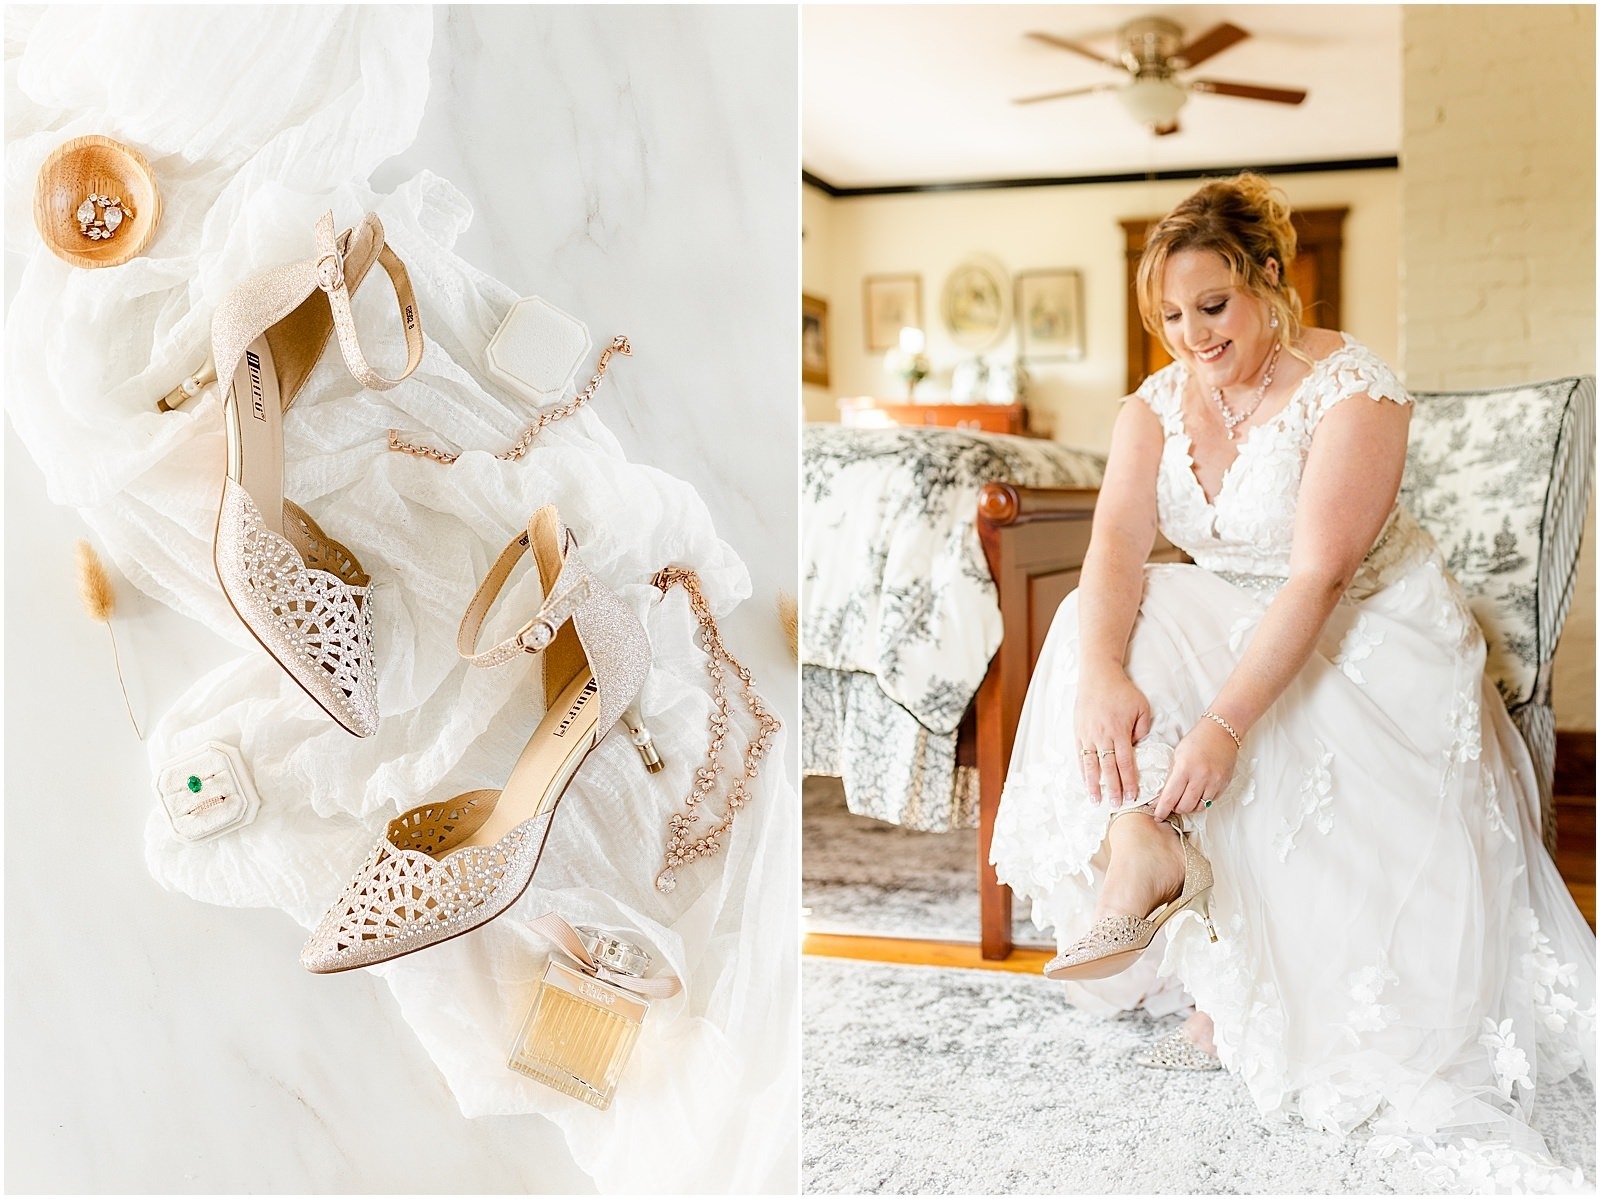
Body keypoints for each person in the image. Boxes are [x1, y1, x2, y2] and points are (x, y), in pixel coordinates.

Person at [990, 173, 1595, 1189]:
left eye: (1213, 306)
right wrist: (1097, 671)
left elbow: (1317, 578)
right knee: (1104, 616)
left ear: (1269, 275)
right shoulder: (1151, 408)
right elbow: (1116, 545)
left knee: (1210, 674)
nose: (1192, 336)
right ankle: (1140, 841)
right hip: (1240, 618)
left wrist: (1222, 724)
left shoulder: (1356, 391)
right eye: (1170, 316)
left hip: (1372, 635)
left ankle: (1221, 971)